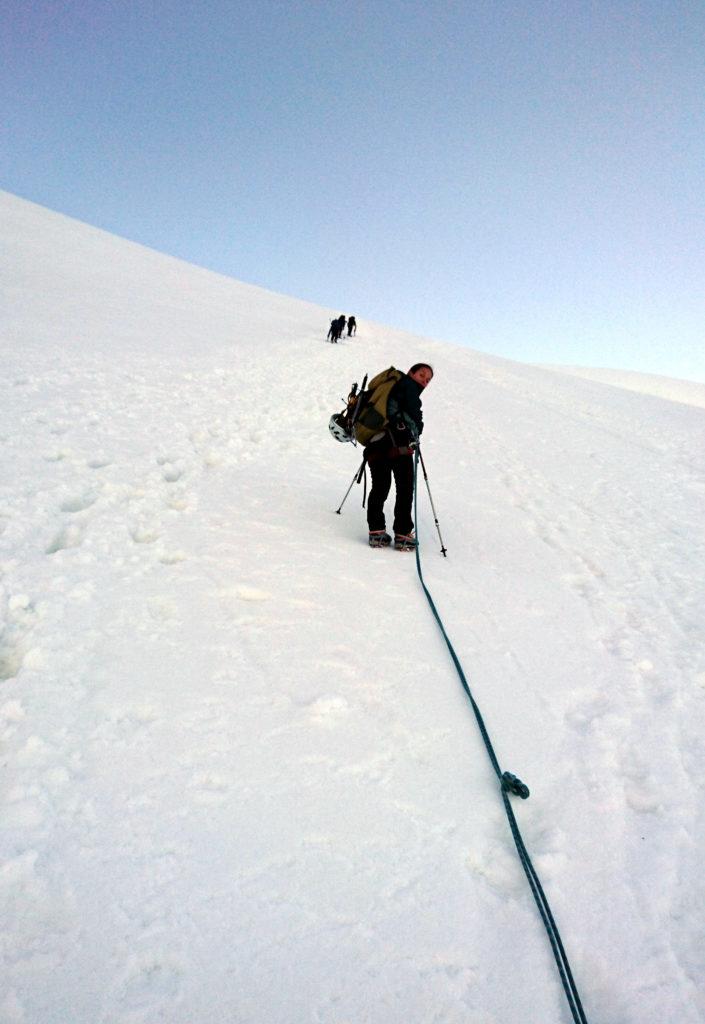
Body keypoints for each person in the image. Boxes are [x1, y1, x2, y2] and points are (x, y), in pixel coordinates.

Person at [366, 363, 433, 550]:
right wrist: (418, 429)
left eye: (428, 380)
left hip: (376, 443)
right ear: (411, 373)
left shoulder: (393, 387)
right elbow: (415, 419)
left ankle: (376, 532)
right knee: (404, 488)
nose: (424, 381)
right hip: (398, 444)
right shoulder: (409, 388)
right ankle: (403, 533)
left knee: (380, 486)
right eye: (422, 375)